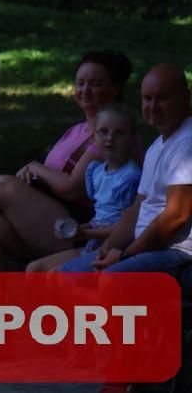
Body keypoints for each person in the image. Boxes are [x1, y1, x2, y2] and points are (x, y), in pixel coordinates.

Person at [0, 50, 140, 270]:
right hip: (51, 212)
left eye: (95, 84)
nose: (85, 90)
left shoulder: (113, 135)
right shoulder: (77, 130)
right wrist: (34, 177)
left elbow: (72, 188)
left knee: (4, 186)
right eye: (80, 83)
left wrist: (35, 168)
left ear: (115, 88)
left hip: (82, 227)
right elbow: (54, 175)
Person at [59, 64, 192, 275]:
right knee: (66, 274)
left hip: (175, 251)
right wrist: (107, 248)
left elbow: (176, 216)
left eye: (162, 98)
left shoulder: (186, 143)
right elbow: (137, 208)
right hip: (144, 247)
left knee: (111, 279)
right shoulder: (157, 145)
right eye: (147, 99)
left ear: (185, 97)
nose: (153, 106)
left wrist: (125, 255)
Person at [26, 103, 141, 272]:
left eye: (119, 133)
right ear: (94, 137)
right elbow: (101, 219)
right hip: (93, 244)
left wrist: (85, 233)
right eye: (104, 132)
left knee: (53, 275)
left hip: (114, 249)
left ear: (132, 139)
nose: (110, 138)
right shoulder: (97, 171)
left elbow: (127, 228)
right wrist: (78, 229)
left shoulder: (131, 178)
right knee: (34, 269)